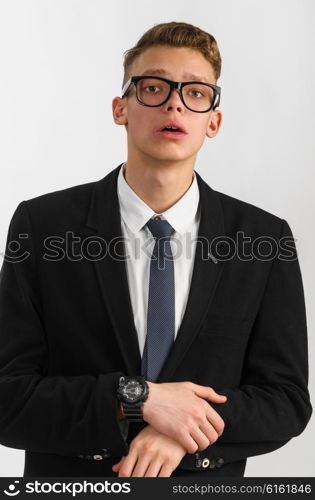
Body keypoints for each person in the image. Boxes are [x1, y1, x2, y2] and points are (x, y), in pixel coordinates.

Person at [0, 21, 312, 478]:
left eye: (196, 93)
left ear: (214, 121)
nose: (174, 102)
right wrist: (138, 400)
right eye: (153, 87)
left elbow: (285, 401)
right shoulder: (43, 226)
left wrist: (179, 434)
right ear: (120, 108)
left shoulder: (263, 239)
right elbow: (8, 397)